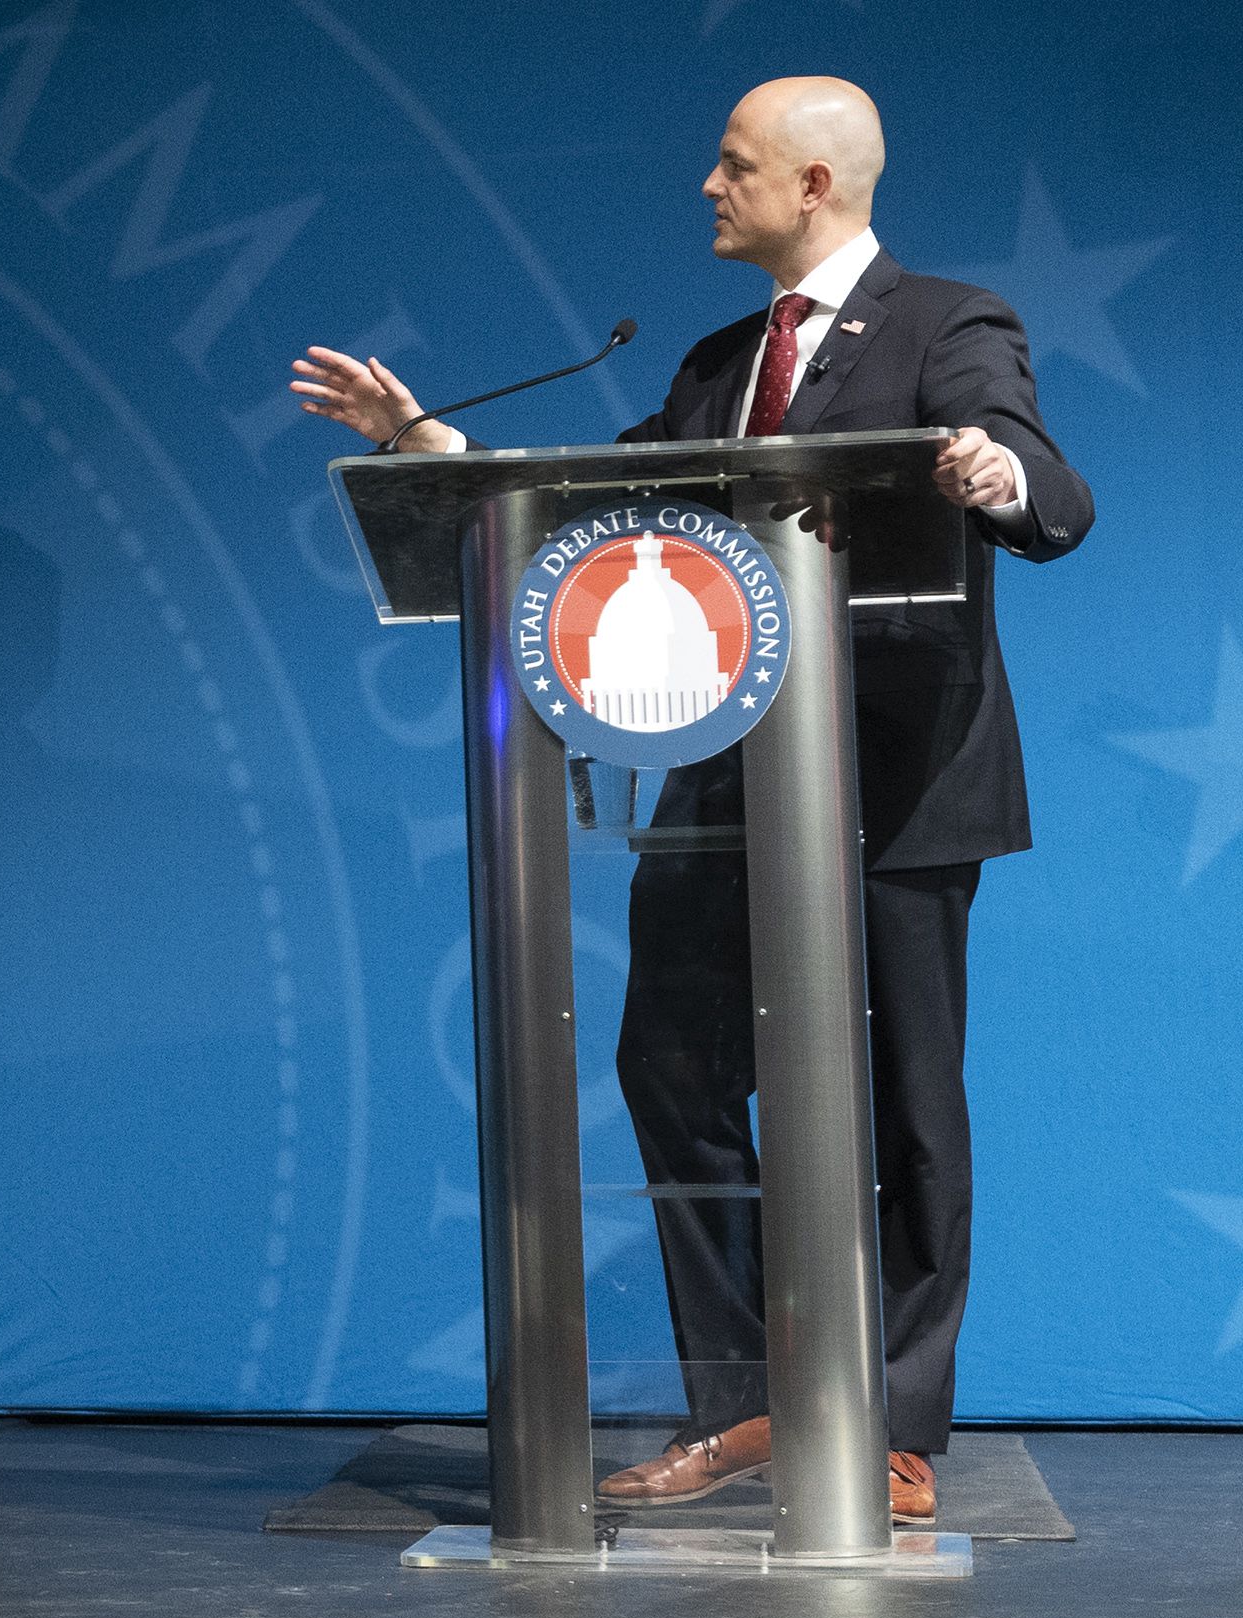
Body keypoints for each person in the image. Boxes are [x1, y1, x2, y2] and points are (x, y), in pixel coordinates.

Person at [292, 78, 1093, 1522]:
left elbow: (1043, 481)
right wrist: (429, 447)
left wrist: (994, 469)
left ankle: (894, 1428)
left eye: (731, 168)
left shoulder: (948, 324)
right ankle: (751, 1408)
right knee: (669, 1064)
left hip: (902, 779)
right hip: (728, 773)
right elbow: (607, 507)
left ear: (813, 185)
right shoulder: (727, 357)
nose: (706, 189)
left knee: (904, 1101)